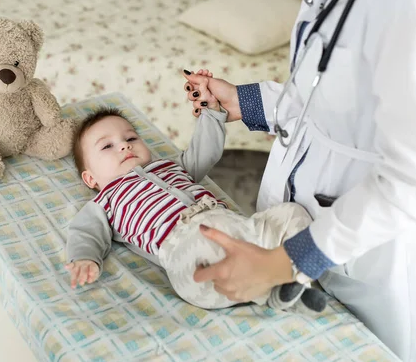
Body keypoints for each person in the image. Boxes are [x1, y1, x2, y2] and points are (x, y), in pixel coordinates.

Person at [181, 0, 416, 362]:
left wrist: (284, 263)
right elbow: (325, 96)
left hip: (371, 252)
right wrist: (245, 101)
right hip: (298, 220)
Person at [64, 105, 327, 312]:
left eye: (130, 137)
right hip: (187, 253)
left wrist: (211, 114)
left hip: (241, 230)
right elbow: (84, 231)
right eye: (107, 146)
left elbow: (205, 152)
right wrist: (85, 258)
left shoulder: (171, 166)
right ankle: (273, 292)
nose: (124, 145)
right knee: (206, 250)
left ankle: (291, 276)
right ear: (91, 179)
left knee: (293, 213)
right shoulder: (106, 200)